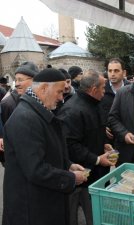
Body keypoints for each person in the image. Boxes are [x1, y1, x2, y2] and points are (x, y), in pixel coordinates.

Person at [2, 68, 88, 225]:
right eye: (59, 92)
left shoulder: (38, 112)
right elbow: (36, 169)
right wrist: (70, 179)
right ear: (43, 89)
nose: (61, 98)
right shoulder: (25, 118)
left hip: (41, 204)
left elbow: (47, 151)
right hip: (30, 211)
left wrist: (68, 166)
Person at [58, 69, 114, 225]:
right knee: (76, 216)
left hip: (96, 174)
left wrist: (104, 143)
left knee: (97, 215)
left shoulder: (95, 103)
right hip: (81, 176)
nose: (105, 91)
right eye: (103, 88)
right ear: (94, 90)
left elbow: (93, 131)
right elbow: (70, 145)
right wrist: (96, 159)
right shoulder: (72, 110)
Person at [0, 61, 39, 165]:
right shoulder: (8, 104)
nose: (16, 84)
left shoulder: (42, 101)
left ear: (34, 80)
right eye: (16, 80)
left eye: (20, 80)